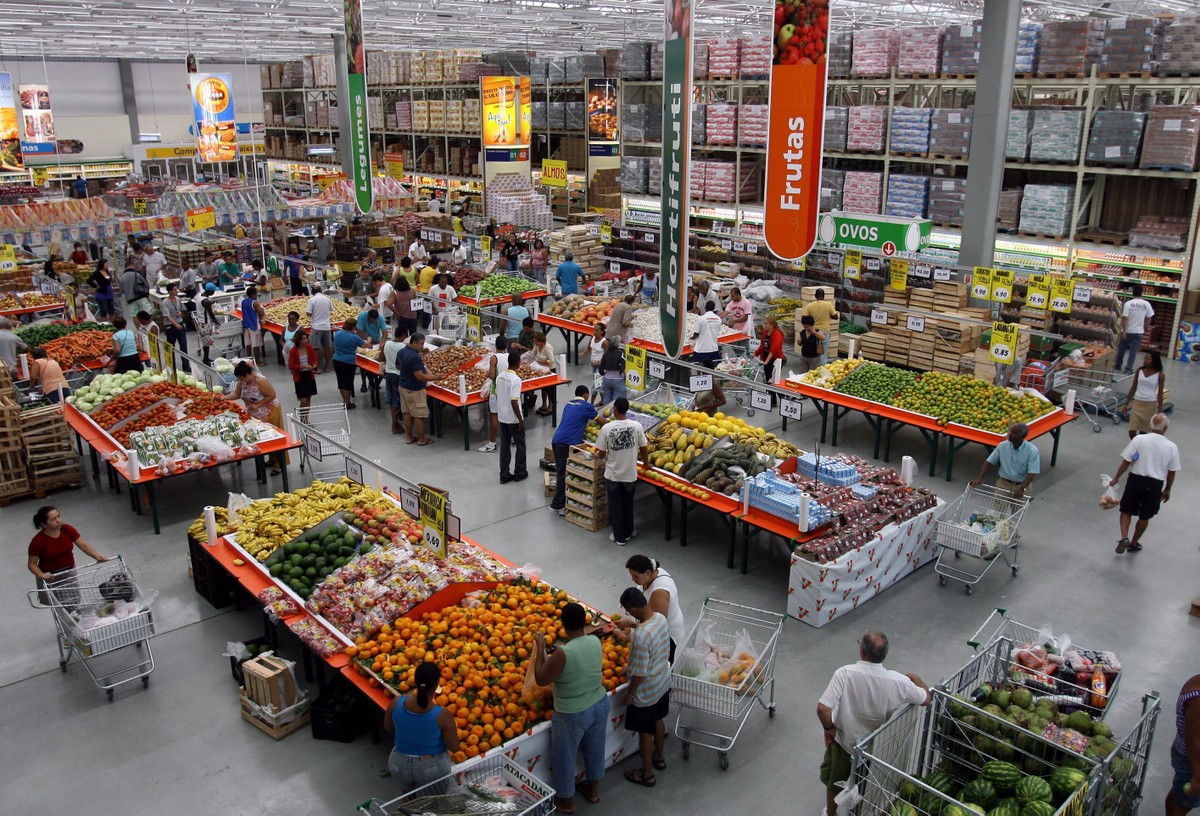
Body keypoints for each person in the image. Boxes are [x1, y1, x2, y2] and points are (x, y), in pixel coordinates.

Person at [817, 631, 931, 816]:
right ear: (884, 654)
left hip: (843, 741)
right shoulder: (898, 681)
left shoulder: (845, 673)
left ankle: (831, 813)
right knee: (860, 783)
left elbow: (823, 709)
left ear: (862, 652)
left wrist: (829, 729)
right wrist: (916, 678)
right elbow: (926, 699)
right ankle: (855, 812)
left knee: (834, 781)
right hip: (872, 746)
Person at [534, 602, 610, 813]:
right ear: (585, 622)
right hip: (600, 703)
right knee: (595, 750)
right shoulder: (595, 640)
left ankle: (566, 801)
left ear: (563, 625)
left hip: (574, 713)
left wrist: (540, 649)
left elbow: (541, 679)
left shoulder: (562, 653)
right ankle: (593, 792)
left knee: (564, 757)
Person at [613, 586, 672, 787]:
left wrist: (630, 694)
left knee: (644, 733)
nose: (629, 615)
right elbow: (650, 635)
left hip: (646, 691)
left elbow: (639, 673)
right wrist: (633, 624)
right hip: (663, 681)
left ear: (634, 609)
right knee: (658, 719)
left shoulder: (640, 636)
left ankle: (647, 774)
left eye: (629, 612)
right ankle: (659, 758)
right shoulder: (660, 619)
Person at [383, 660, 460, 796]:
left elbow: (388, 727)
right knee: (431, 802)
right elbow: (454, 747)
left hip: (398, 764)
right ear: (437, 684)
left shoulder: (396, 703)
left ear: (415, 681)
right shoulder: (442, 716)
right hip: (430, 768)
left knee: (408, 796)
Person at [1110, 413, 1180, 554]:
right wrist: (1167, 489)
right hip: (1155, 485)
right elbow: (1171, 472)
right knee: (1145, 515)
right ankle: (1134, 543)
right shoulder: (1172, 447)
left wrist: (1116, 478)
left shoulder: (1139, 439)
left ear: (1150, 425)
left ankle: (1124, 538)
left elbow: (1126, 461)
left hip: (1135, 480)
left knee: (1126, 510)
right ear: (1165, 428)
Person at [594, 396, 649, 546]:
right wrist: (646, 464)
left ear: (615, 409)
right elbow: (644, 447)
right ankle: (629, 531)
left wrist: (596, 456)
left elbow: (602, 453)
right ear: (627, 410)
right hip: (630, 474)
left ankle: (619, 537)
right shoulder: (636, 426)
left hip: (613, 475)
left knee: (615, 506)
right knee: (628, 504)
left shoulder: (606, 428)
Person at [27, 506, 108, 599]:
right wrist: (41, 574)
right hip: (50, 576)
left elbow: (83, 544)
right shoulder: (38, 541)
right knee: (59, 606)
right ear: (44, 524)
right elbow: (32, 564)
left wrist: (97, 556)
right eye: (53, 519)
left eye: (58, 516)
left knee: (74, 600)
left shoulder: (67, 529)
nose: (58, 520)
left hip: (69, 571)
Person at [225, 361, 286, 475]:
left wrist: (258, 405)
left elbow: (272, 395)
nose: (241, 381)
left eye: (242, 378)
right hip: (255, 413)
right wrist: (223, 398)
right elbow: (237, 394)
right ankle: (271, 459)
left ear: (248, 375)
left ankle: (278, 465)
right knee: (262, 437)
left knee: (272, 437)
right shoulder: (242, 380)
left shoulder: (261, 380)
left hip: (269, 411)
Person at [549, 386, 600, 516]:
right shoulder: (586, 406)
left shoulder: (569, 404)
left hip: (557, 440)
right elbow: (601, 420)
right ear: (586, 395)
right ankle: (558, 505)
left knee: (562, 472)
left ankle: (562, 501)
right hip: (566, 443)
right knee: (563, 475)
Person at [625, 555, 686, 661]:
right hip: (657, 625)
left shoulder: (660, 593)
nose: (632, 579)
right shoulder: (652, 571)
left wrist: (631, 625)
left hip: (667, 634)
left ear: (648, 573)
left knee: (663, 663)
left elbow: (655, 625)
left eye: (635, 576)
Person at [971, 421, 1039, 499]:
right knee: (999, 510)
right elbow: (989, 462)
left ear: (1021, 436)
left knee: (1017, 510)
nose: (1009, 434)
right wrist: (980, 478)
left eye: (1014, 433)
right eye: (1010, 431)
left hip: (1022, 485)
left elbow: (1032, 473)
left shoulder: (1032, 451)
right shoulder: (1002, 446)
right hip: (1003, 484)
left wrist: (1022, 488)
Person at [1167, 674, 1200, 816]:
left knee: (1178, 796)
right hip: (1193, 762)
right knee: (1183, 803)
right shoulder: (1197, 699)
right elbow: (1195, 740)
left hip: (1189, 757)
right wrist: (1197, 776)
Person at [399, 332, 437, 445]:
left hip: (403, 386)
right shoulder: (415, 358)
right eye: (420, 344)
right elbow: (420, 376)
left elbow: (398, 365)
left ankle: (409, 437)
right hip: (415, 389)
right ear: (414, 342)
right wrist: (437, 377)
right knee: (419, 415)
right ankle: (422, 439)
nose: (422, 346)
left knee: (407, 412)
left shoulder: (402, 352)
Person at [496, 350, 526, 483]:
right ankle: (520, 472)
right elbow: (514, 401)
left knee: (504, 446)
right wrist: (520, 419)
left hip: (502, 416)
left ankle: (504, 474)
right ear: (518, 363)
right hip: (513, 418)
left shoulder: (500, 376)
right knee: (520, 445)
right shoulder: (516, 380)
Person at [1123, 350, 1165, 439]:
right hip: (1137, 402)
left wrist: (1160, 411)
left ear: (1153, 361)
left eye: (1147, 359)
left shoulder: (1160, 375)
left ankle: (1140, 448)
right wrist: (1126, 404)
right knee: (1132, 430)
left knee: (1143, 431)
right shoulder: (1139, 370)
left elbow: (1160, 394)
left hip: (1150, 405)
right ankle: (1136, 445)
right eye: (1144, 358)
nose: (1144, 360)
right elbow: (1133, 387)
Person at [478, 336, 509, 453]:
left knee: (494, 416)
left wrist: (487, 374)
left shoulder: (493, 358)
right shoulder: (510, 356)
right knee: (508, 414)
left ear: (495, 346)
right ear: (506, 346)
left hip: (497, 391)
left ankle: (492, 444)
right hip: (508, 389)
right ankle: (513, 440)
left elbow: (491, 375)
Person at [1116, 283, 1154, 375]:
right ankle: (1128, 369)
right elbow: (1149, 317)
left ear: (1132, 293)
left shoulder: (1128, 304)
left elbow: (1125, 318)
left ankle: (1118, 364)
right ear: (1142, 293)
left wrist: (1124, 331)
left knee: (1121, 348)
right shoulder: (1146, 304)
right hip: (1138, 332)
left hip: (1127, 331)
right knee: (1133, 351)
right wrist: (1146, 326)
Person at [382, 324, 409, 435]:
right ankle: (395, 426)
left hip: (388, 373)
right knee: (396, 401)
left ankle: (396, 423)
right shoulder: (402, 348)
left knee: (392, 399)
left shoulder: (387, 344)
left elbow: (381, 358)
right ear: (403, 335)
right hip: (398, 376)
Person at [332, 318, 365, 409]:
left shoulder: (337, 334)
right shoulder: (354, 337)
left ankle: (344, 400)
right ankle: (347, 402)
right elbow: (365, 346)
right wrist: (369, 340)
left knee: (341, 381)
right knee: (348, 382)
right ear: (354, 326)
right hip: (348, 362)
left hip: (337, 360)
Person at [802, 288, 839, 364]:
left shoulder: (810, 305)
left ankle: (812, 369)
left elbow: (804, 318)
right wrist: (828, 315)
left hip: (813, 332)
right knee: (823, 354)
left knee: (813, 352)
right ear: (824, 296)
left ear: (815, 296)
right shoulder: (828, 305)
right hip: (824, 333)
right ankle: (821, 371)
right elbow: (836, 317)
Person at [161, 283, 191, 372]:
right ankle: (171, 365)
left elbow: (182, 309)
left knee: (183, 345)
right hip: (171, 326)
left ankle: (186, 365)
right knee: (171, 346)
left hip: (179, 322)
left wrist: (180, 313)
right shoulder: (165, 302)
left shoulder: (178, 299)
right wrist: (175, 324)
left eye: (176, 289)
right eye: (174, 290)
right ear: (169, 291)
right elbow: (167, 315)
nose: (176, 291)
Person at [287, 329, 318, 414]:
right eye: (303, 339)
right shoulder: (293, 350)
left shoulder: (309, 348)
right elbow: (291, 365)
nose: (305, 341)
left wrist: (314, 365)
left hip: (309, 375)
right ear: (298, 340)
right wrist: (303, 366)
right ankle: (302, 419)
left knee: (308, 399)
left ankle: (306, 420)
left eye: (306, 338)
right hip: (299, 377)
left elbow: (314, 360)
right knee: (303, 401)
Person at [307, 288, 334, 373]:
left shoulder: (312, 300)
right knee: (328, 347)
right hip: (327, 326)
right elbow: (331, 309)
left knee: (316, 348)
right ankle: (327, 367)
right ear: (321, 291)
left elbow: (308, 313)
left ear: (312, 292)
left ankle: (318, 368)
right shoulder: (327, 299)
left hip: (316, 327)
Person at [530, 331, 557, 415]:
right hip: (541, 370)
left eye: (535, 341)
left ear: (540, 341)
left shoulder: (547, 347)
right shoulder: (537, 346)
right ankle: (544, 404)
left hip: (549, 370)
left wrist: (542, 362)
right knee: (543, 389)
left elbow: (552, 360)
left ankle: (551, 406)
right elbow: (532, 354)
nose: (534, 343)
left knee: (550, 390)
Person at [690, 300, 722, 369]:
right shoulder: (719, 319)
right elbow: (717, 332)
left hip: (702, 349)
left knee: (700, 368)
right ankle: (712, 379)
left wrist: (691, 339)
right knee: (712, 368)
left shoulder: (701, 319)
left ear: (705, 307)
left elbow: (696, 333)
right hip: (713, 349)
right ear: (714, 308)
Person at [756, 314, 785, 385]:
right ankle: (771, 396)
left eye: (766, 324)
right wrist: (755, 353)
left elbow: (773, 350)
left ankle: (781, 395)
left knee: (774, 382)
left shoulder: (777, 334)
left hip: (776, 360)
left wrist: (766, 362)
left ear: (772, 325)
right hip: (767, 358)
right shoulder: (765, 332)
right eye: (764, 324)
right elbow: (762, 345)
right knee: (767, 380)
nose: (764, 325)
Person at [597, 338, 626, 405]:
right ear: (618, 345)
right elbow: (622, 368)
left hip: (606, 380)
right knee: (617, 403)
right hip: (618, 380)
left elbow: (601, 370)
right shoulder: (620, 354)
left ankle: (606, 414)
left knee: (606, 402)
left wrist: (604, 374)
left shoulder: (605, 354)